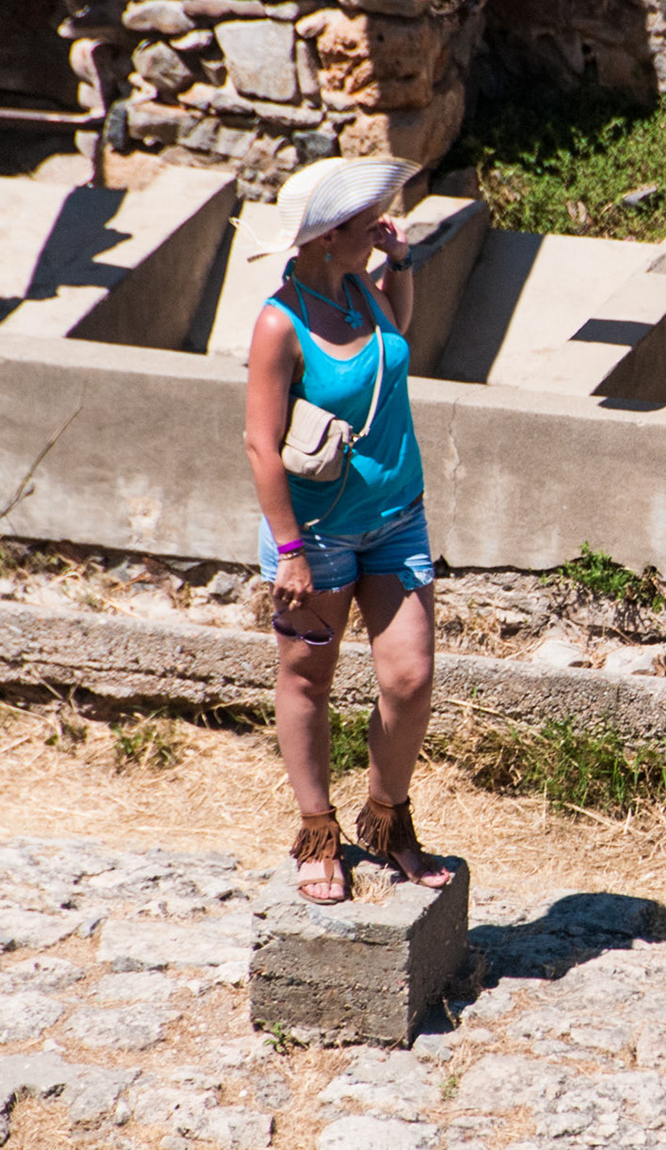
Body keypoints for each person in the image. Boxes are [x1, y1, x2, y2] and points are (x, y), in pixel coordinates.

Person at [243, 156, 453, 905]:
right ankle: (318, 832)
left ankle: (389, 820)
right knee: (307, 679)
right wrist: (290, 550)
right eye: (368, 226)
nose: (380, 230)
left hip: (397, 518)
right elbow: (261, 446)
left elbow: (397, 344)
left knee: (409, 675)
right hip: (319, 534)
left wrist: (399, 264)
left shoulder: (363, 287)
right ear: (328, 237)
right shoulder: (280, 323)